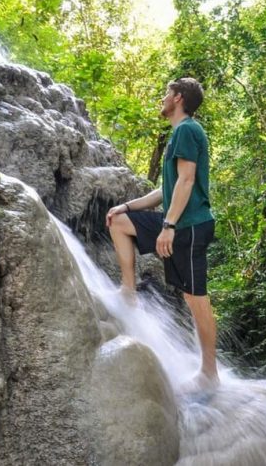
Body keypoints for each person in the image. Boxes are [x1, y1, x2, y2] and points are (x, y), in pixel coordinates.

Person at [105, 77, 219, 392]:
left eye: (166, 93)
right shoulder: (180, 134)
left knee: (197, 300)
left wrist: (168, 226)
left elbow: (186, 180)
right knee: (119, 223)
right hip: (179, 222)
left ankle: (209, 374)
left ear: (178, 98)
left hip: (189, 226)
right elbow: (166, 189)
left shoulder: (186, 130)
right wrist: (125, 206)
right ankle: (128, 293)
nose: (163, 98)